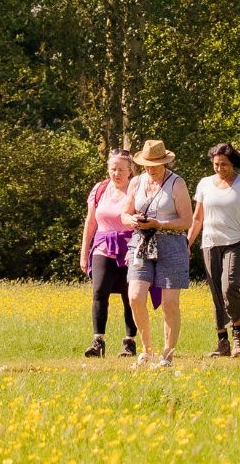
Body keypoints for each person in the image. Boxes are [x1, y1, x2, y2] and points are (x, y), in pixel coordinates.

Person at [122, 140, 192, 368]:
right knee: (135, 296)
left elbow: (186, 221)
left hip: (171, 244)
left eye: (155, 164)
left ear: (165, 162)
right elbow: (125, 214)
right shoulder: (136, 182)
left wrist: (158, 223)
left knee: (169, 303)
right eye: (147, 164)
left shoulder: (177, 183)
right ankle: (147, 350)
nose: (150, 168)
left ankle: (167, 355)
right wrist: (132, 219)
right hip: (141, 242)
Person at [189, 143, 240, 358]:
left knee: (229, 288)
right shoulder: (204, 184)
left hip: (235, 243)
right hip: (210, 243)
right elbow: (197, 217)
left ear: (233, 164)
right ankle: (223, 342)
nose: (220, 168)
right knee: (216, 294)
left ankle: (238, 334)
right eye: (216, 164)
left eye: (224, 165)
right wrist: (186, 244)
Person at [81, 150, 151, 358]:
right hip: (103, 245)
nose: (116, 173)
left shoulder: (137, 188)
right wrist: (84, 252)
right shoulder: (100, 189)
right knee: (99, 292)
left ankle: (129, 341)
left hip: (131, 246)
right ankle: (97, 340)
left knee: (131, 295)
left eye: (121, 169)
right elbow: (90, 221)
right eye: (113, 169)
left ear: (130, 170)